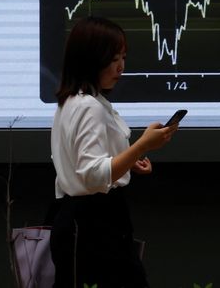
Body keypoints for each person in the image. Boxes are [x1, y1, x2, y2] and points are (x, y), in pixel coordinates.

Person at [49, 16, 177, 288]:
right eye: (112, 59)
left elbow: (81, 166)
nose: (121, 67)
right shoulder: (90, 107)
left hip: (77, 218)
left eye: (123, 57)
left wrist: (130, 160)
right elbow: (93, 176)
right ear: (91, 60)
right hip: (95, 225)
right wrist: (142, 145)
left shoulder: (72, 102)